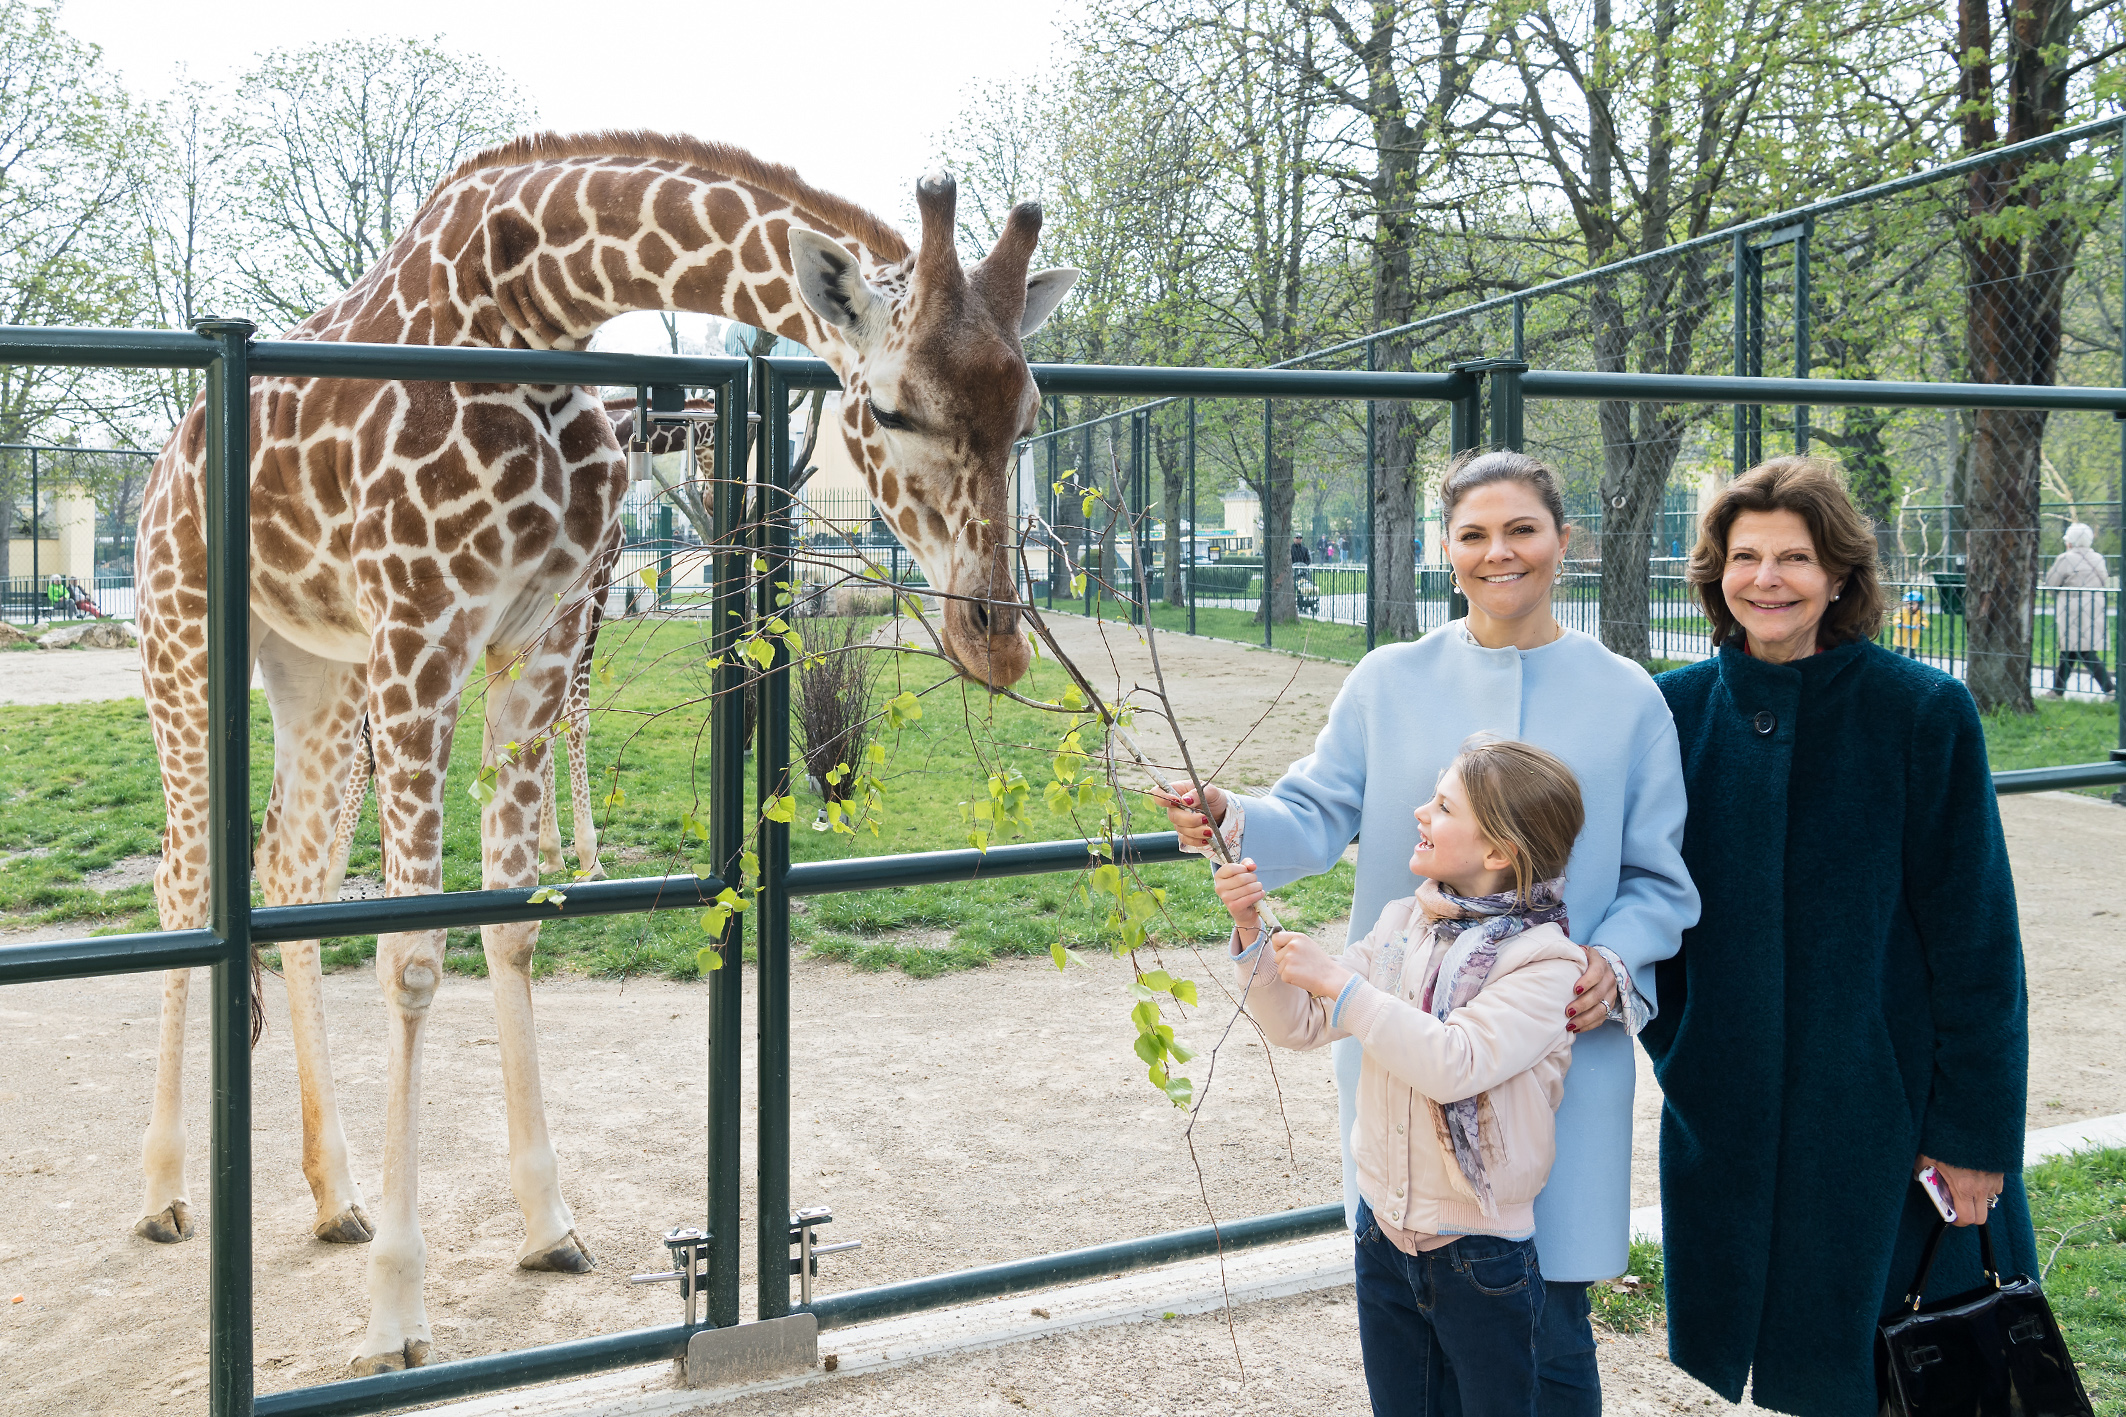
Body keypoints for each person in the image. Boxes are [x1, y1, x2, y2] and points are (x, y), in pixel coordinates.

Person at [1164, 449, 1698, 1413]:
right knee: (1412, 1312)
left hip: (1556, 1048)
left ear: (1564, 542)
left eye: (1523, 529)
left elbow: (1662, 880)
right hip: (1407, 1038)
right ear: (1444, 550)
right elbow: (1316, 811)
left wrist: (1612, 964)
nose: (1501, 553)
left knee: (1549, 1326)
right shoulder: (1386, 679)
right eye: (1475, 535)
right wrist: (1228, 815)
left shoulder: (1630, 697)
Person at [1650, 456, 2038, 1414]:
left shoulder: (1921, 713)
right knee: (1784, 1362)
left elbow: (1979, 939)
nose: (1767, 579)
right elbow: (1643, 899)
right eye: (1745, 556)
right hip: (1729, 1100)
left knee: (1904, 1367)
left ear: (1839, 575)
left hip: (1889, 1118)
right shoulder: (1674, 709)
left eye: (1795, 556)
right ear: (1715, 571)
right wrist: (1685, 1048)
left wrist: (1973, 1137)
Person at [1218, 737, 1588, 1416]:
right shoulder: (1403, 923)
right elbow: (1299, 1022)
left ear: (1498, 851)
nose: (1420, 811)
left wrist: (1345, 986)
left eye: (1443, 804)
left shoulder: (1545, 962)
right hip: (1382, 1237)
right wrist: (1252, 931)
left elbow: (1455, 1062)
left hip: (1479, 1258)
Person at [2043, 521, 2113, 697]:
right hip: (2094, 607)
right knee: (2071, 650)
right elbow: (2105, 580)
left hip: (2071, 610)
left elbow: (2051, 583)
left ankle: (2110, 688)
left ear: (2070, 541)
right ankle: (2057, 690)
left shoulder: (2066, 558)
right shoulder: (2098, 558)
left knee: (2083, 651)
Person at [1890, 588, 1926, 658]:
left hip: (1913, 636)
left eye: (1913, 604)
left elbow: (1924, 621)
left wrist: (1921, 625)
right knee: (1898, 651)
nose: (1911, 606)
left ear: (1919, 604)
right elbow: (1896, 618)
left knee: (1911, 654)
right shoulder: (1903, 611)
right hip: (1901, 636)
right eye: (1909, 604)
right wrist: (1900, 623)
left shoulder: (1920, 613)